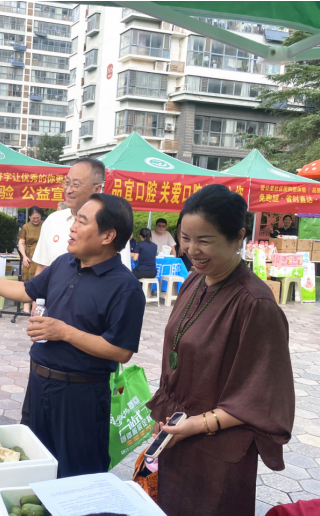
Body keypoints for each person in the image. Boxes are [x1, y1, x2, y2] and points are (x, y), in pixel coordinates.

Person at [0, 194, 145, 477]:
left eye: (82, 222)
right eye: (75, 220)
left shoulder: (125, 287)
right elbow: (25, 290)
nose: (72, 227)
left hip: (80, 395)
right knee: (34, 465)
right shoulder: (64, 263)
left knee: (76, 473)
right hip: (38, 384)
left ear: (108, 236)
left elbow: (121, 351)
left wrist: (63, 332)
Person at [146, 184, 294, 516]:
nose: (191, 250)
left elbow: (264, 397)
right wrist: (167, 414)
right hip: (178, 434)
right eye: (185, 238)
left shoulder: (255, 304)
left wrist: (196, 425)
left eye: (204, 240)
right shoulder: (195, 280)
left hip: (217, 451)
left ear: (238, 237)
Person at [22, 158, 105, 425]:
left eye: (76, 184)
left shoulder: (109, 225)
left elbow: (116, 281)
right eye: (66, 183)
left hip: (84, 357)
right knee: (35, 421)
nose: (68, 189)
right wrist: (37, 308)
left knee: (74, 426)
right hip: (47, 346)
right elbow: (42, 268)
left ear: (97, 188)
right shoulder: (54, 221)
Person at [18, 206, 43, 313]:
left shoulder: (45, 225)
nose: (36, 220)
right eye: (33, 218)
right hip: (29, 256)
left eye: (38, 218)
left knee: (40, 280)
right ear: (29, 217)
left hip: (42, 255)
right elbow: (21, 243)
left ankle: (36, 306)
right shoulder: (26, 227)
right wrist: (24, 256)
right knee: (28, 281)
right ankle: (26, 307)